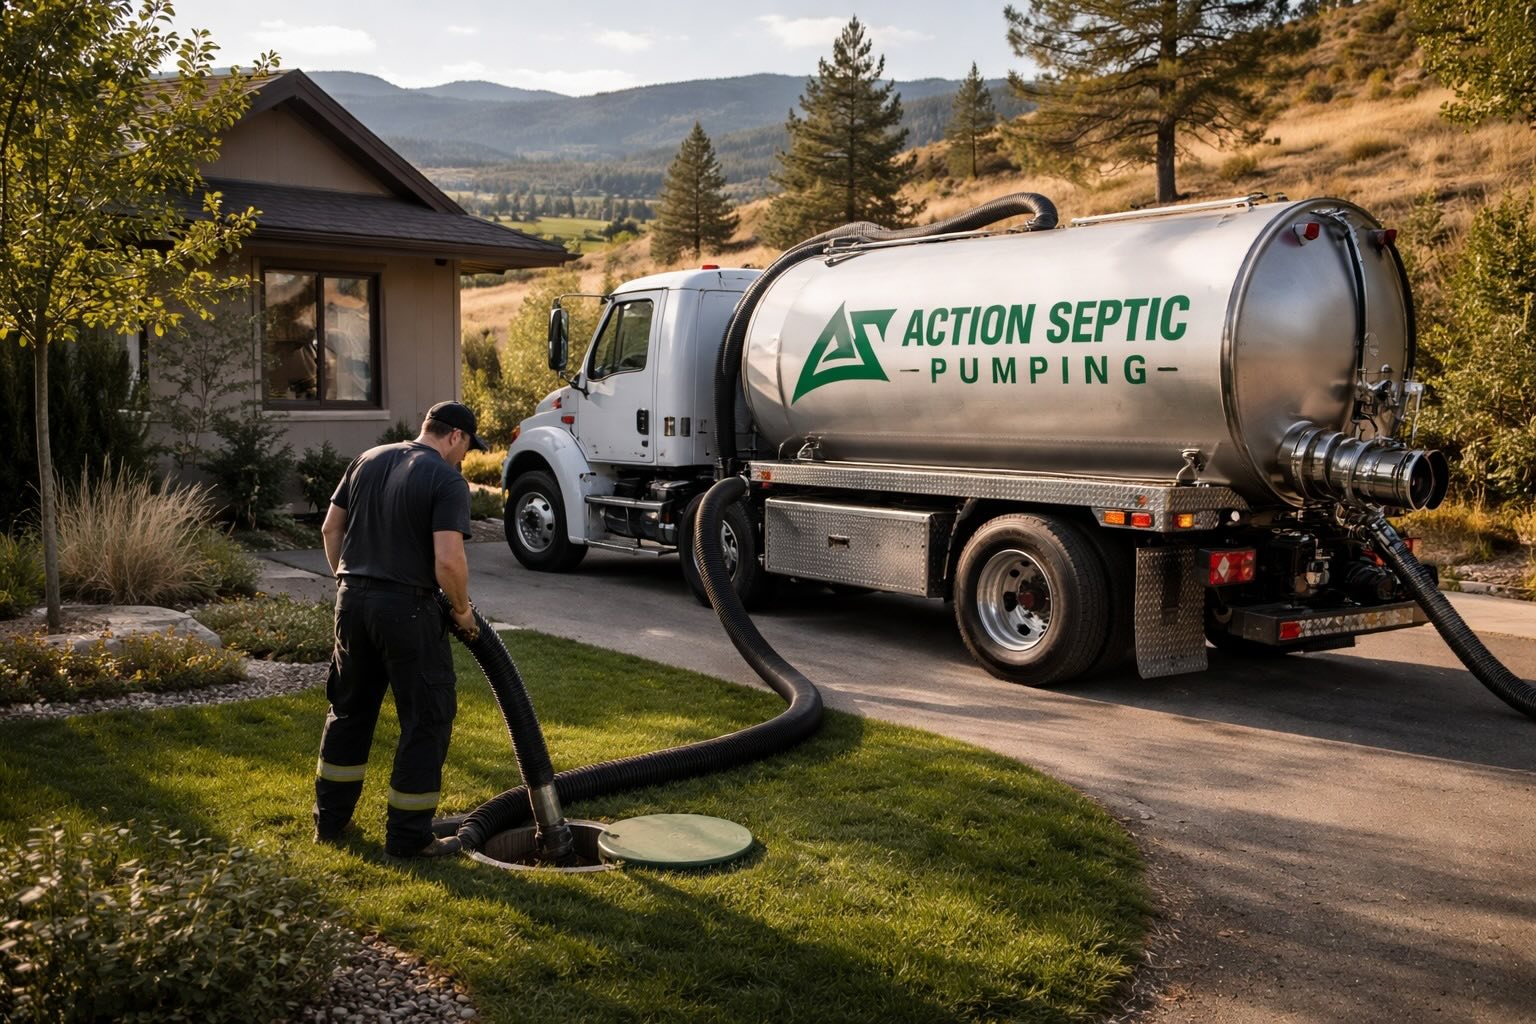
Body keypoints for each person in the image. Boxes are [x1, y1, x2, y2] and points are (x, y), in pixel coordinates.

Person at [312, 401, 487, 858]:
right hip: (408, 611)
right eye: (467, 447)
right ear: (454, 437)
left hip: (352, 602)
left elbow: (332, 529)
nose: (465, 458)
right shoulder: (447, 480)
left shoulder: (367, 459)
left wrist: (346, 582)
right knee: (426, 718)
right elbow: (448, 560)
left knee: (349, 711)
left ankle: (329, 823)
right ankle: (408, 838)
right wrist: (463, 612)